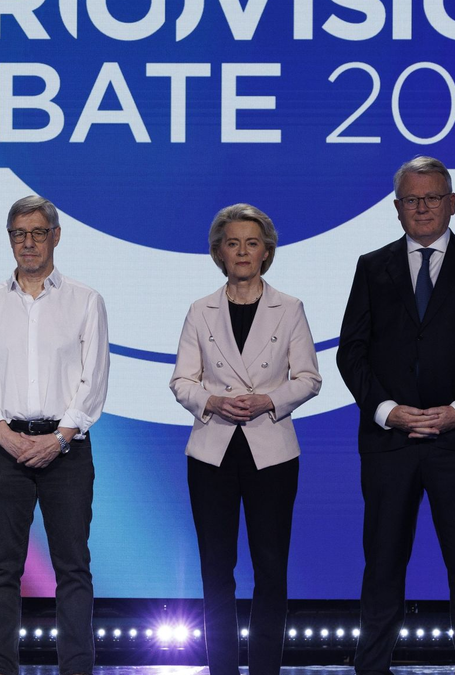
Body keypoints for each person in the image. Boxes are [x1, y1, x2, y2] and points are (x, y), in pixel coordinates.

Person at [337, 156, 455, 675]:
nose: (423, 207)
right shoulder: (372, 267)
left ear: (452, 203)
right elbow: (352, 352)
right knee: (383, 565)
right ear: (396, 209)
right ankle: (371, 667)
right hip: (390, 446)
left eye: (433, 197)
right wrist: (388, 411)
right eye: (412, 199)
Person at [0, 195, 109, 675]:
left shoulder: (86, 300)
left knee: (73, 569)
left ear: (56, 236)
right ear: (9, 239)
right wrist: (6, 436)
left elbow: (94, 379)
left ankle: (77, 669)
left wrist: (60, 438)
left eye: (37, 232)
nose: (28, 242)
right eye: (19, 234)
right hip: (5, 449)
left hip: (67, 451)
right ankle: (1, 668)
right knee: (3, 568)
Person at [169, 204, 322, 675]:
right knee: (217, 571)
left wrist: (269, 400)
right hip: (212, 451)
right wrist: (212, 402)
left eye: (251, 243)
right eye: (232, 243)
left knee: (271, 570)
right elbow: (181, 382)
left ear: (266, 252)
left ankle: (264, 670)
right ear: (218, 252)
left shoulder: (290, 308)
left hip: (270, 449)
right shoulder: (200, 310)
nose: (242, 251)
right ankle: (222, 669)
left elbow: (309, 379)